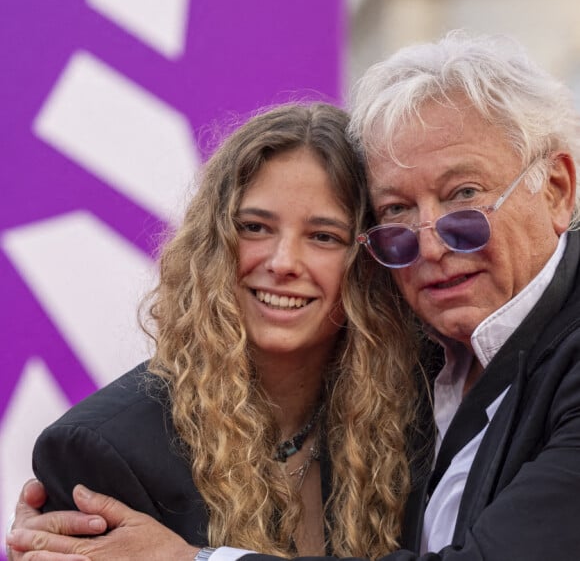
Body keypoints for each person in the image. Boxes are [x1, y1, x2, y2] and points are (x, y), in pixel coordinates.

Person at [9, 28, 580, 559]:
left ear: (557, 189)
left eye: (464, 196)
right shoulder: (107, 448)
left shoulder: (400, 395)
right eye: (398, 212)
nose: (429, 245)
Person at [4, 103, 422, 559]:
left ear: (370, 260)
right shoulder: (103, 452)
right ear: (213, 245)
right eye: (254, 228)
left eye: (324, 236)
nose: (283, 263)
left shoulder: (416, 417)